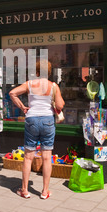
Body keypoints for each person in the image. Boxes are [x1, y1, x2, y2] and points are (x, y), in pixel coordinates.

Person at [9, 60, 65, 200]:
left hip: (32, 119)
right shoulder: (53, 86)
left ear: (38, 71)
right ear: (50, 72)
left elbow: (12, 93)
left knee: (28, 157)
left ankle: (25, 190)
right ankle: (45, 191)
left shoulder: (29, 84)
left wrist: (22, 107)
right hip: (47, 120)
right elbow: (60, 105)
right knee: (46, 157)